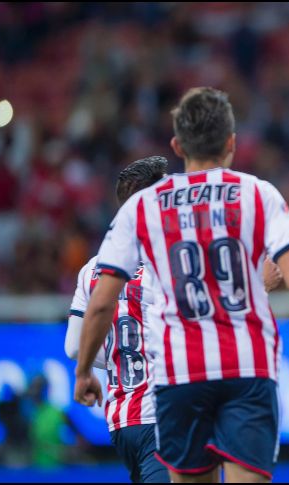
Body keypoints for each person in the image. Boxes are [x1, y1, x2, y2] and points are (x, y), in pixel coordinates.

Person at [73, 87, 289, 483]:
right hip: (246, 367)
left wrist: (83, 372)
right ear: (232, 143)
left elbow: (99, 304)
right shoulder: (256, 192)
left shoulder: (145, 206)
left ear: (178, 145)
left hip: (181, 373)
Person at [65, 156, 171, 483]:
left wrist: (119, 357)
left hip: (123, 422)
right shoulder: (169, 260)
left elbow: (73, 347)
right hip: (164, 416)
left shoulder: (92, 270)